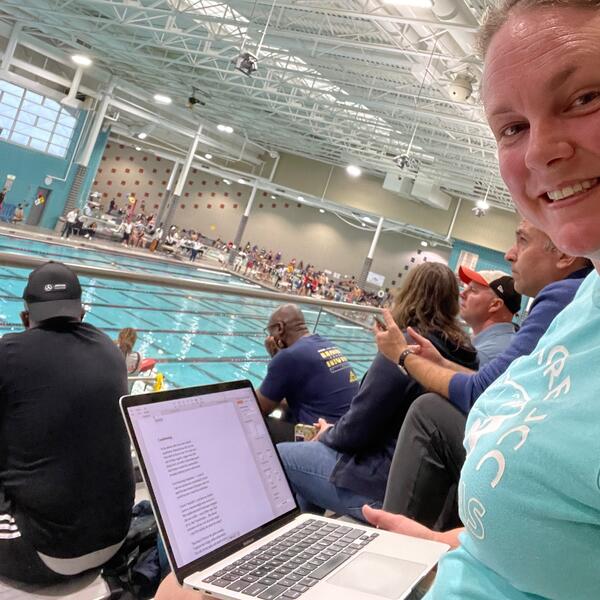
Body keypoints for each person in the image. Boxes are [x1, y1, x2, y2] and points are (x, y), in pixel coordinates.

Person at [363, 3, 600, 599]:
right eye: (511, 128)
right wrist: (451, 546)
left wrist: (406, 360)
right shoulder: (584, 300)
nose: (541, 150)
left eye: (585, 97)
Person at [381, 220, 592, 530]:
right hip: (568, 467)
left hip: (546, 473)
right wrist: (440, 363)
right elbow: (504, 386)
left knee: (430, 413)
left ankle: (392, 545)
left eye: (522, 240)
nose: (509, 254)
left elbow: (483, 394)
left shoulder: (564, 294)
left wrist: (402, 355)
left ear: (563, 255)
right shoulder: (574, 293)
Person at [277, 263, 479, 521]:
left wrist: (328, 434)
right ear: (451, 302)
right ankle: (307, 539)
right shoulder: (465, 355)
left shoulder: (402, 347)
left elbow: (357, 429)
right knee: (306, 462)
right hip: (427, 489)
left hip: (380, 486)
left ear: (408, 294)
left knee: (279, 456)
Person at [0, 261, 135, 584]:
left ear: (24, 317)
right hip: (114, 538)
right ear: (82, 314)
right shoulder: (111, 350)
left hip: (44, 553)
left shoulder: (9, 353)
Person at [256, 304, 358, 442]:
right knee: (285, 411)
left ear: (280, 328)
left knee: (255, 427)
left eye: (270, 333)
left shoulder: (289, 356)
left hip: (326, 440)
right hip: (347, 433)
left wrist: (277, 358)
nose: (269, 338)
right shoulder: (324, 344)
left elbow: (258, 407)